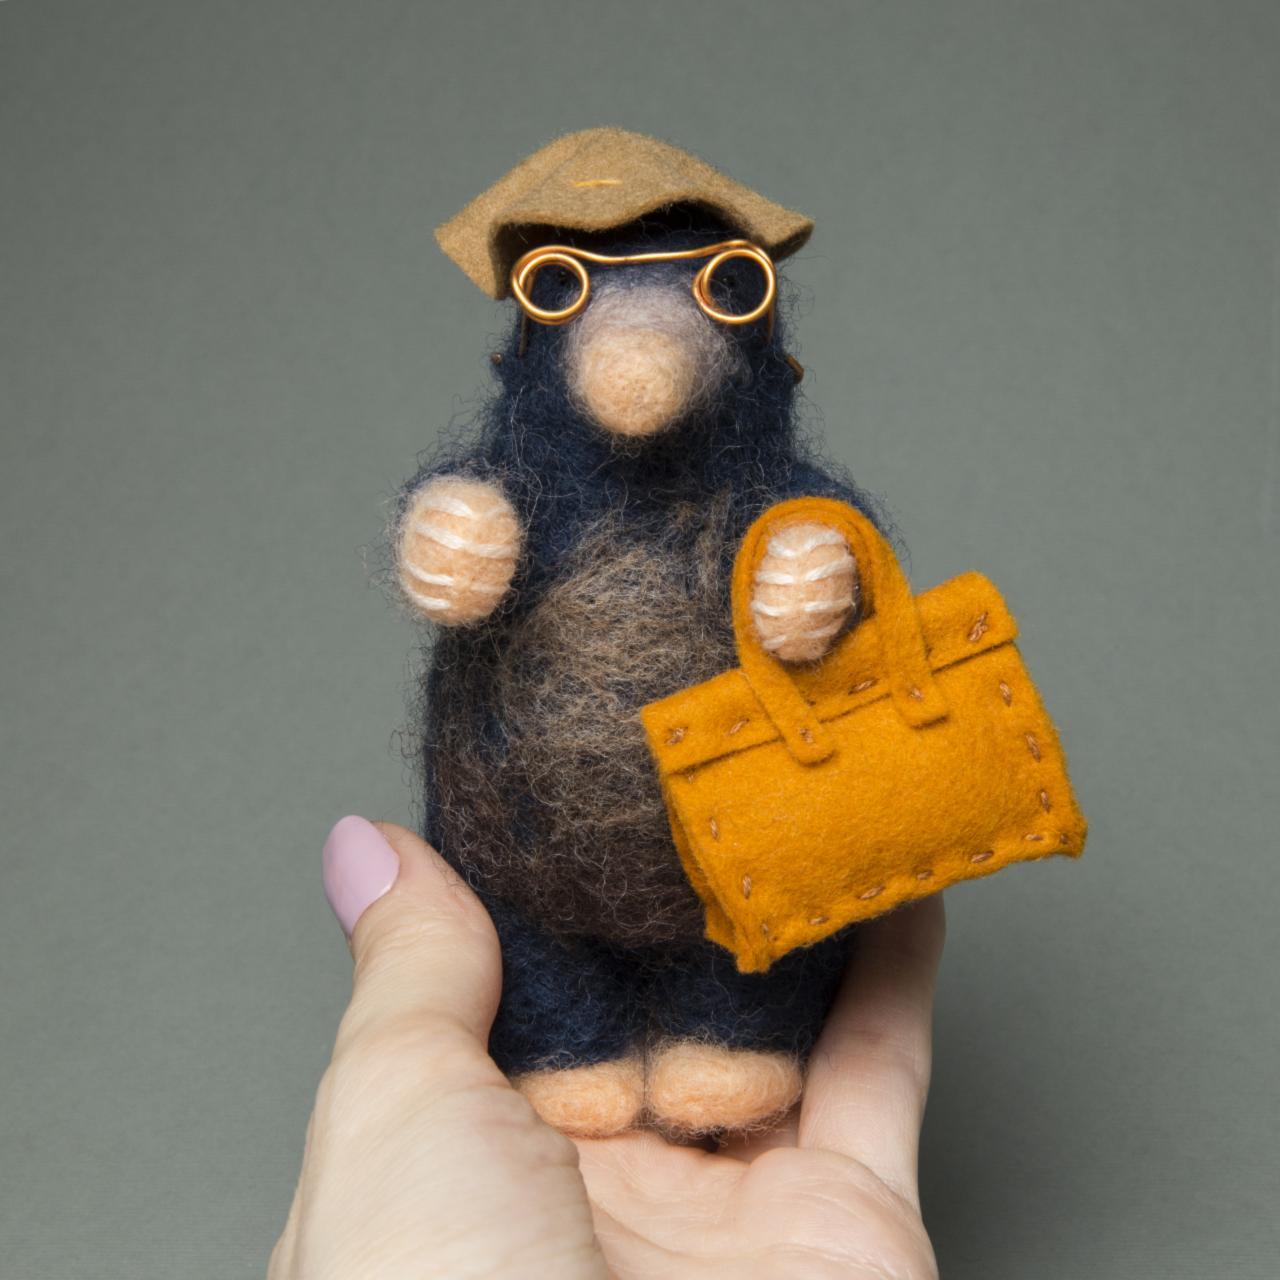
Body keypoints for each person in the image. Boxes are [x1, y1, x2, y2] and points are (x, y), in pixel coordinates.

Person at [268, 817, 943, 1277]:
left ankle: (725, 1042)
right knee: (538, 906)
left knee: (745, 887)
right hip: (545, 861)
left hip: (731, 839)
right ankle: (582, 1054)